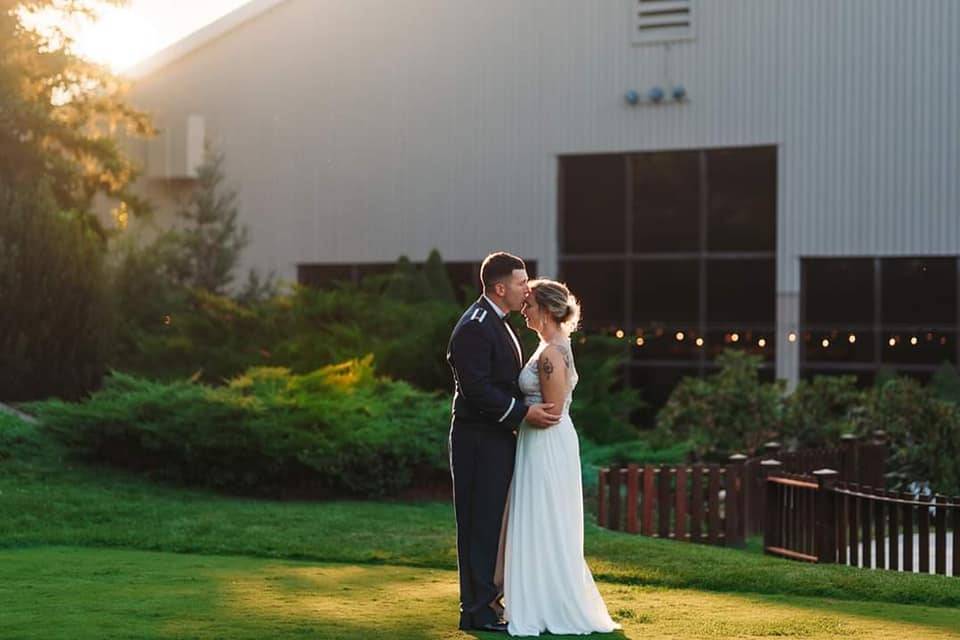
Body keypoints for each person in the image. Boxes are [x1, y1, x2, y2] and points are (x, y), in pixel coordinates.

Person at [446, 252, 561, 633]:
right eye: (519, 281)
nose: (526, 287)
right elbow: (476, 388)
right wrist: (522, 413)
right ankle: (475, 611)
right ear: (499, 288)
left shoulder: (499, 322)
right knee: (479, 524)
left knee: (491, 523)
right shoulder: (476, 326)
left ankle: (487, 604)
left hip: (494, 437)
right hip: (477, 439)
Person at [502, 279, 620, 637]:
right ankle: (533, 595)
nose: (524, 310)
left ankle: (547, 603)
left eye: (530, 305)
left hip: (547, 442)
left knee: (546, 517)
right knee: (540, 517)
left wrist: (515, 413)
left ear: (549, 310)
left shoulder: (552, 353)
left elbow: (551, 410)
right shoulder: (549, 346)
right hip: (539, 442)